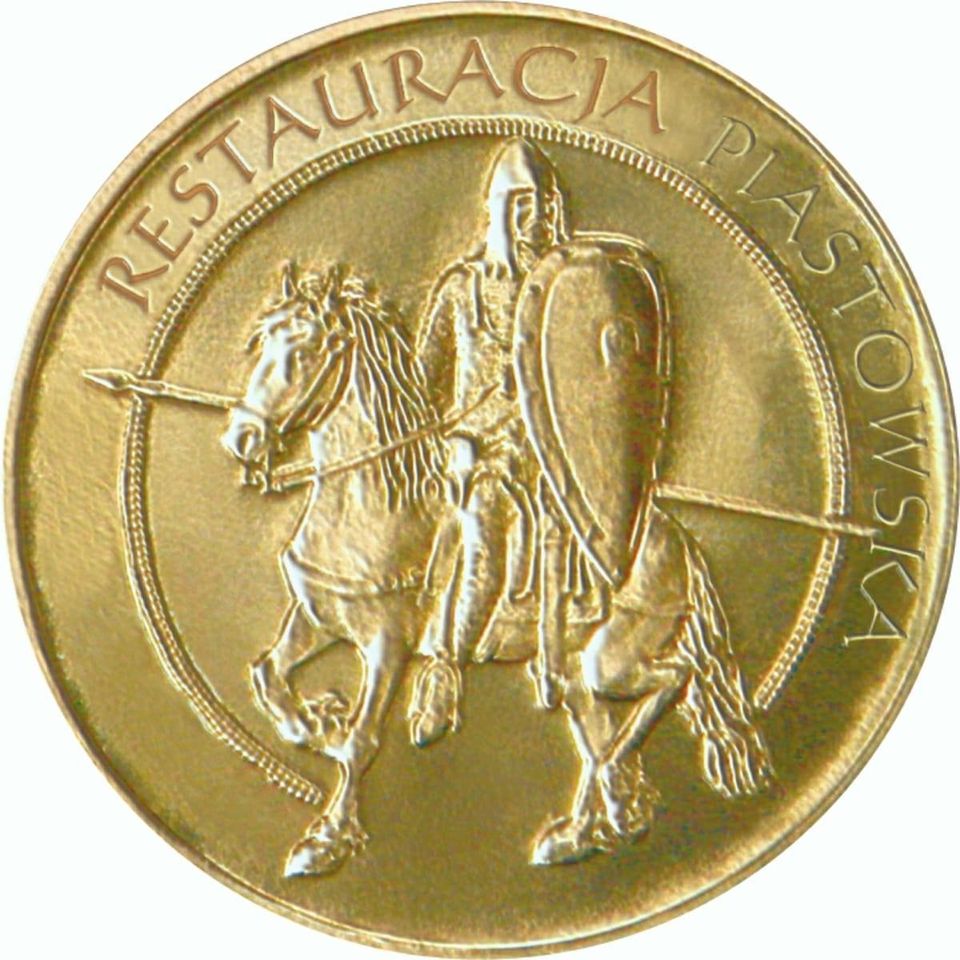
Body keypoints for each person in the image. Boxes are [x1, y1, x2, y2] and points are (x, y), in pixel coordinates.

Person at [408, 138, 575, 745]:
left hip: (551, 456)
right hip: (479, 458)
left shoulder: (562, 290)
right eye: (523, 203)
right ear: (500, 208)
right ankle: (444, 672)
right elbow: (421, 383)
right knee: (483, 544)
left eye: (543, 204)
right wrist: (455, 441)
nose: (536, 217)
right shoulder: (462, 288)